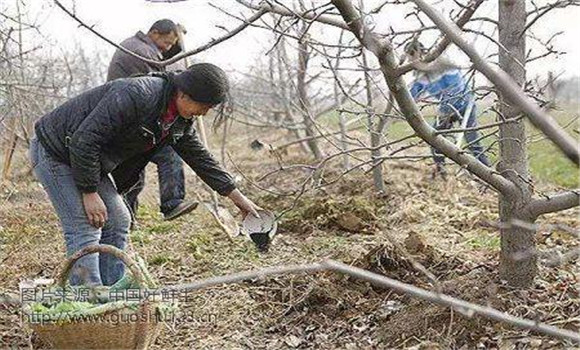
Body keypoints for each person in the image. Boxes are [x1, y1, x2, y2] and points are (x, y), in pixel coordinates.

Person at [30, 63, 261, 286]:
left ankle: (111, 292)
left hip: (85, 159)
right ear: (184, 94)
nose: (204, 113)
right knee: (85, 224)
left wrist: (239, 199)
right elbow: (85, 139)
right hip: (56, 151)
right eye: (204, 105)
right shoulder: (137, 94)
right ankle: (86, 300)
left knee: (118, 219)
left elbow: (200, 158)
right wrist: (89, 192)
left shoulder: (178, 118)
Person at [108, 19, 196, 222]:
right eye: (167, 42)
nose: (168, 47)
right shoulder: (141, 52)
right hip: (133, 121)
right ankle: (171, 203)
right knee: (169, 154)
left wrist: (179, 41)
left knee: (132, 172)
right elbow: (163, 84)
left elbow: (167, 58)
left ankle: (126, 219)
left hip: (130, 119)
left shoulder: (138, 46)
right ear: (154, 33)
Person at [404, 40, 491, 177]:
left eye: (410, 57)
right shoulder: (420, 74)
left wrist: (448, 109)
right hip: (446, 110)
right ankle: (441, 171)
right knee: (434, 138)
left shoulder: (441, 63)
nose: (410, 61)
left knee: (472, 141)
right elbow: (411, 95)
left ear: (416, 52)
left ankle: (488, 175)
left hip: (464, 105)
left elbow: (456, 89)